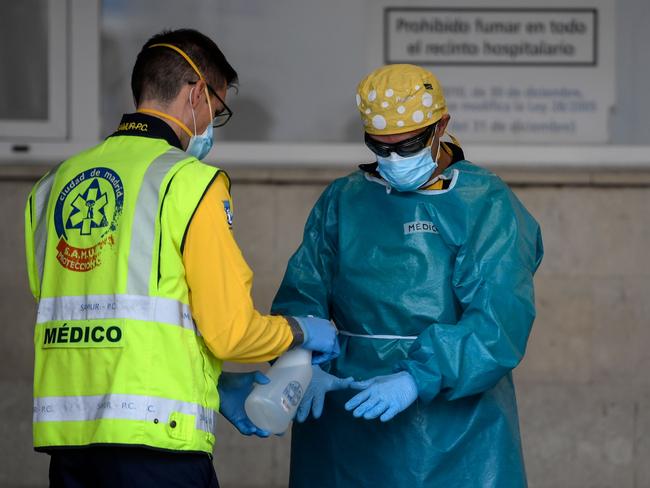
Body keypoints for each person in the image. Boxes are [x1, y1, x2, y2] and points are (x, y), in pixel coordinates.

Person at [24, 28, 338, 488]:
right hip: (157, 447)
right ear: (196, 94)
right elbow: (231, 333)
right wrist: (301, 330)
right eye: (218, 107)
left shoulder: (52, 185)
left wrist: (214, 388)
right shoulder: (189, 183)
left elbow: (88, 310)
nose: (213, 122)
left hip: (70, 444)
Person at [271, 64, 544, 487]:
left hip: (454, 431)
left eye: (408, 146)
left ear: (442, 128)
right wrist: (299, 360)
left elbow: (499, 320)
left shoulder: (482, 203)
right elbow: (303, 289)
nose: (393, 160)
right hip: (344, 412)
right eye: (380, 148)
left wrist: (418, 376)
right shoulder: (344, 199)